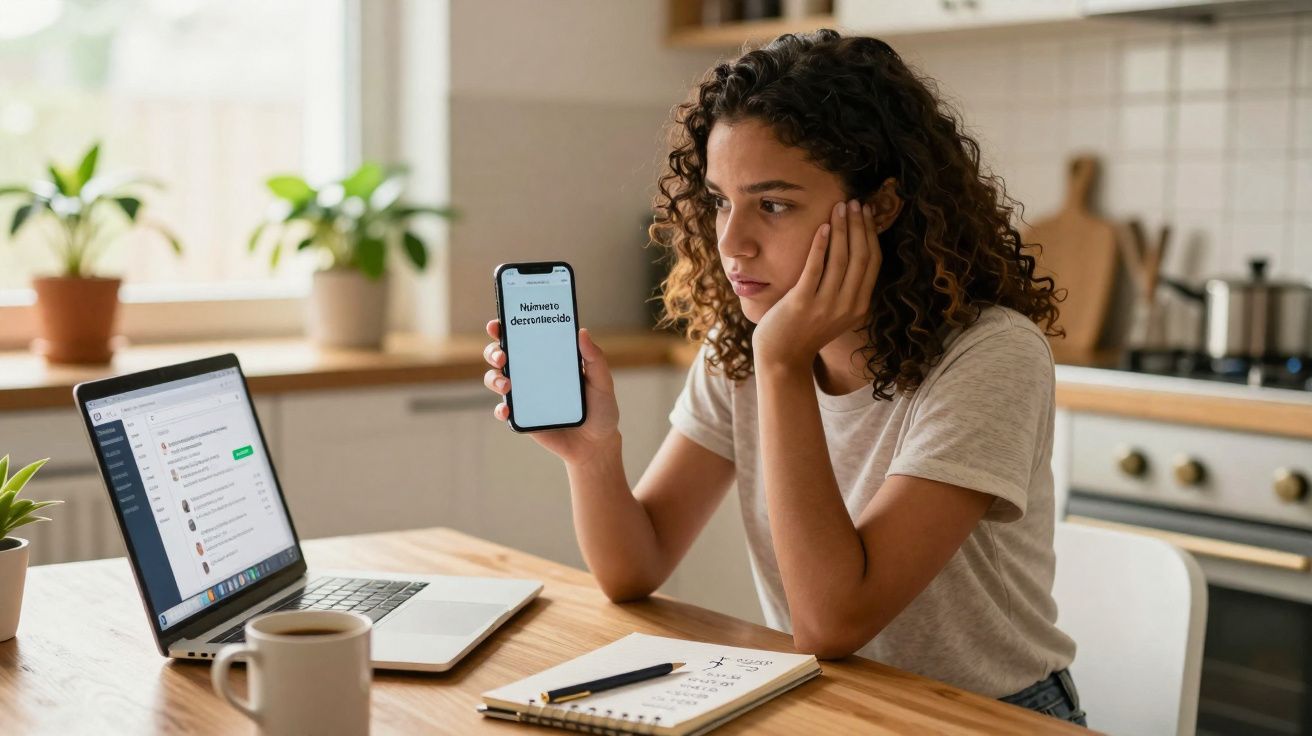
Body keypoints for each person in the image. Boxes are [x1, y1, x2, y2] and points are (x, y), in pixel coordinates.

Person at [481, 30, 1084, 725]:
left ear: (882, 208)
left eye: (773, 204)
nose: (731, 242)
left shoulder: (989, 355)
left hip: (990, 716)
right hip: (839, 703)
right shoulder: (746, 343)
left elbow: (832, 622)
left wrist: (783, 361)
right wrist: (593, 454)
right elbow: (634, 568)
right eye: (719, 200)